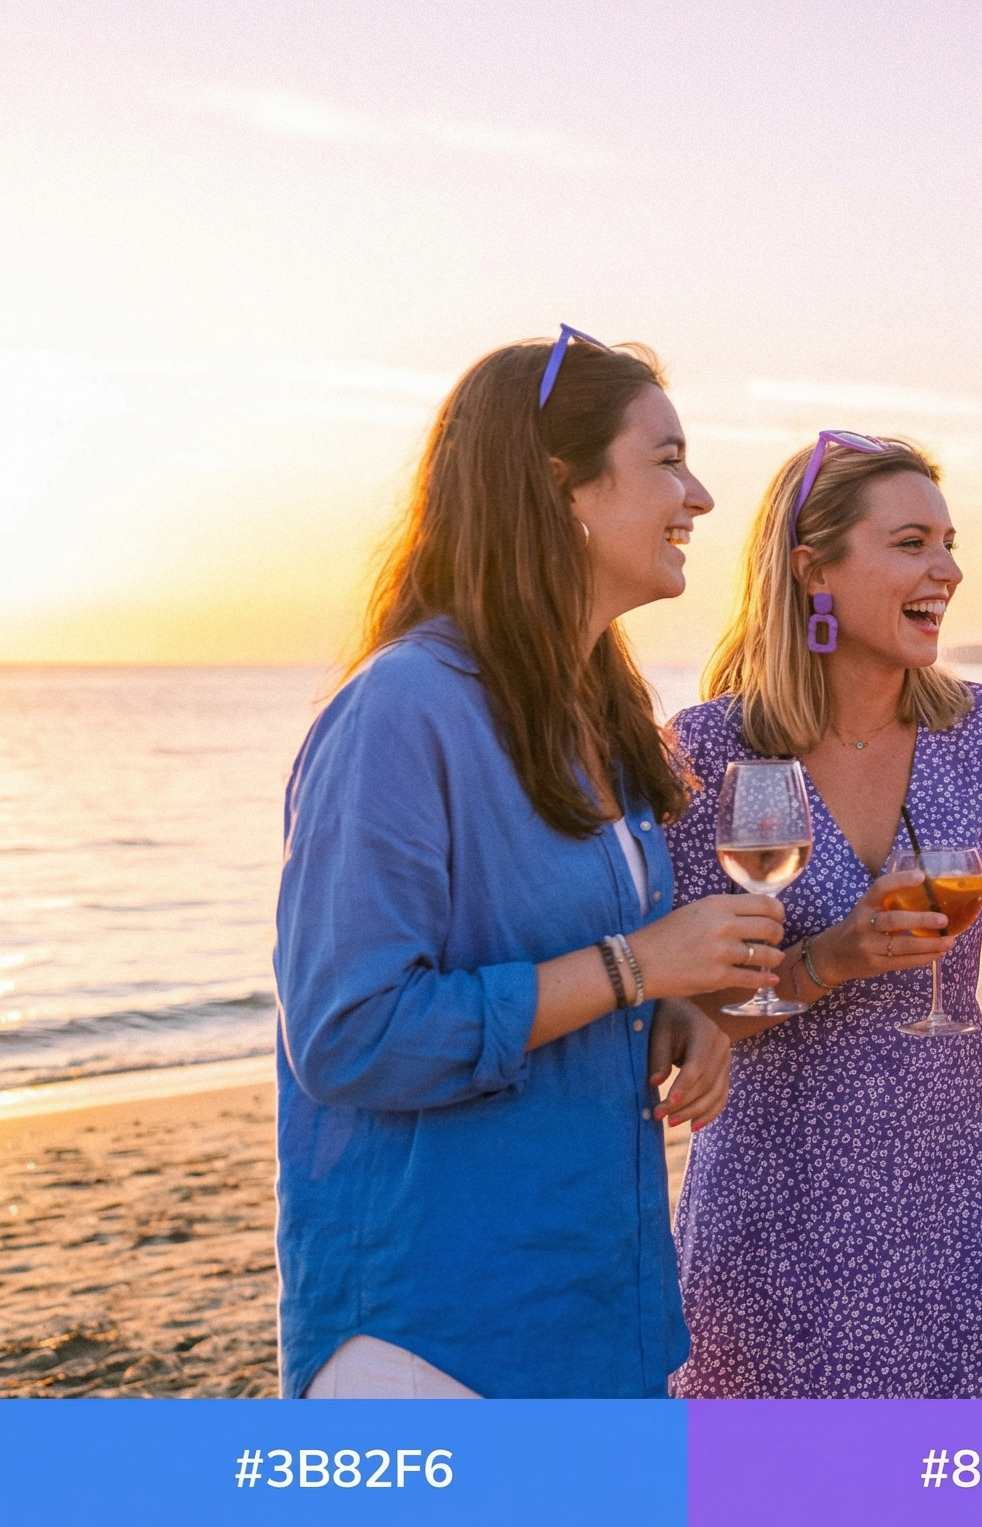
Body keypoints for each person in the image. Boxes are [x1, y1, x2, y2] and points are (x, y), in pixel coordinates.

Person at [275, 327, 774, 1398]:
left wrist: (668, 1013)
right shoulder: (400, 713)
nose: (700, 494)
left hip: (602, 1309)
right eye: (667, 460)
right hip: (436, 1338)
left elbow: (585, 968)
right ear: (562, 487)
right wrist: (636, 969)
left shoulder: (604, 718)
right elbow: (349, 1037)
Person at [666, 432, 982, 1398]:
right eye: (911, 543)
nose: (947, 569)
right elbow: (686, 1028)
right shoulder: (702, 754)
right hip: (776, 1206)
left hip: (957, 1198)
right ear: (813, 570)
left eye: (948, 542)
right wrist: (825, 963)